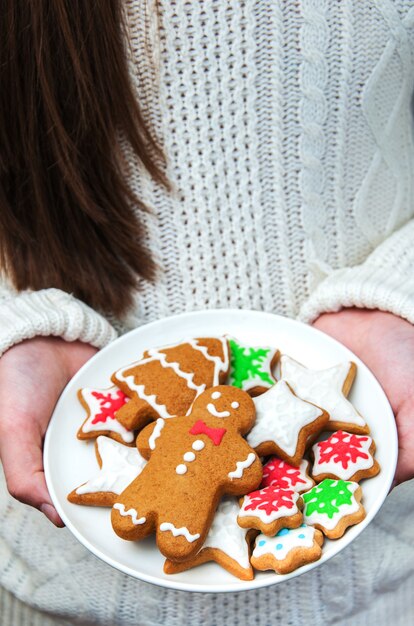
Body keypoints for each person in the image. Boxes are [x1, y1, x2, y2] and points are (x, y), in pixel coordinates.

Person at [1, 1, 414, 624]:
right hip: (60, 578)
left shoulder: (218, 453)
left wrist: (400, 294)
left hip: (378, 578)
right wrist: (13, 327)